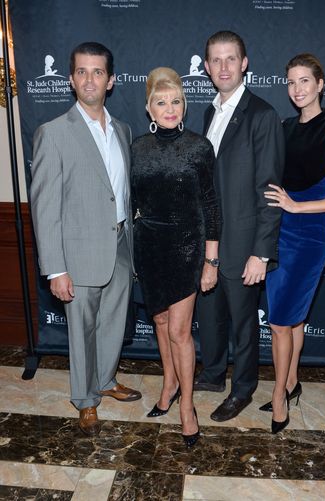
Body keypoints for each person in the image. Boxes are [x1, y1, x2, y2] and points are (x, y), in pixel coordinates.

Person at [30, 42, 142, 437]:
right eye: (81, 71)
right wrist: (56, 268)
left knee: (112, 324)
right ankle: (85, 399)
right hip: (77, 255)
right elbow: (45, 207)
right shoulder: (54, 133)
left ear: (111, 81)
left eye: (97, 72)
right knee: (82, 329)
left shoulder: (124, 130)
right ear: (71, 79)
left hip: (120, 247)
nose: (89, 79)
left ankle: (106, 380)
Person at [262, 53, 325, 433]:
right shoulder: (284, 127)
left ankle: (278, 398)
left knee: (281, 323)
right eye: (291, 81)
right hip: (277, 233)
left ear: (320, 84)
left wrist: (298, 206)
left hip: (309, 236)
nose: (297, 89)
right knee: (293, 319)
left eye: (305, 81)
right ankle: (290, 381)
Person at [194, 31, 285, 422]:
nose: (224, 67)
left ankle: (243, 388)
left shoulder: (262, 115)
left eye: (231, 59)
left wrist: (261, 252)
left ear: (244, 63)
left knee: (245, 325)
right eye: (216, 60)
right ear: (207, 67)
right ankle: (213, 374)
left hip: (244, 243)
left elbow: (269, 190)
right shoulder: (209, 112)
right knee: (211, 315)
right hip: (209, 242)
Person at [131, 67, 220, 447]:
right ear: (149, 109)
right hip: (150, 246)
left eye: (176, 101)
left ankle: (187, 405)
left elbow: (212, 205)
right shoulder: (137, 148)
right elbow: (132, 199)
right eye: (161, 102)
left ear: (185, 105)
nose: (169, 109)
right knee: (161, 320)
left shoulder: (200, 147)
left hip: (187, 245)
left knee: (181, 331)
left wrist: (210, 259)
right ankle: (168, 383)